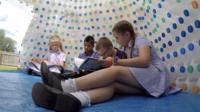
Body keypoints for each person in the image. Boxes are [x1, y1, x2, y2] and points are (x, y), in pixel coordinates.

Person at [32, 20, 179, 112]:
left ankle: (65, 86)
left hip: (155, 77)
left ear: (127, 34)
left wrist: (116, 62)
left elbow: (145, 61)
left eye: (117, 37)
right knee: (112, 84)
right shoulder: (128, 48)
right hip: (147, 84)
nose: (116, 40)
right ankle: (75, 99)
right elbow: (132, 69)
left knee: (114, 71)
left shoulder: (141, 41)